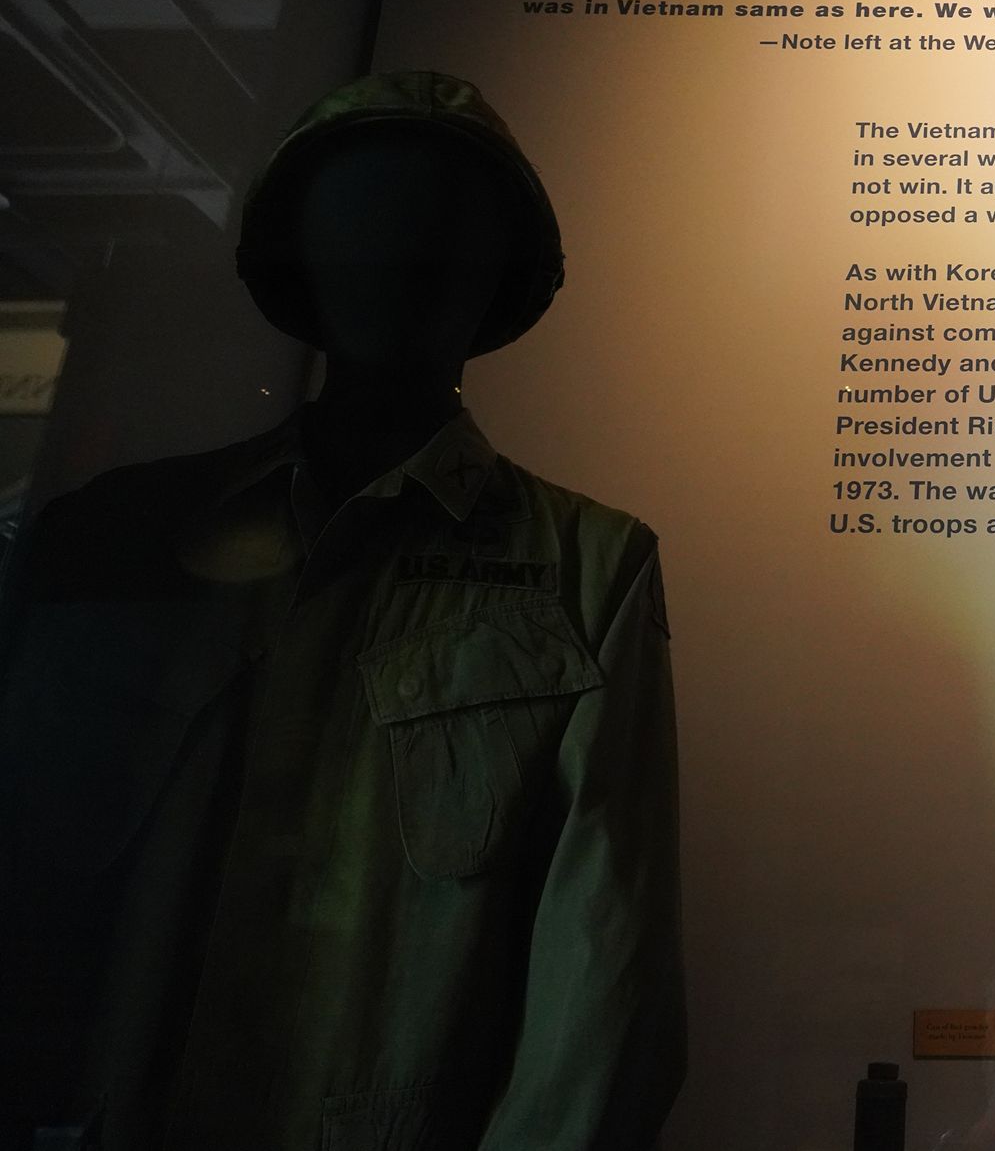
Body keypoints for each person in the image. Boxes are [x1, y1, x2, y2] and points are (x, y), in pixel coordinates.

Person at [0, 71, 686, 1149]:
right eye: (362, 216)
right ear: (302, 256)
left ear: (494, 274)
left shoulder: (587, 566)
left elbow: (605, 973)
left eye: (443, 228)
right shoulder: (113, 537)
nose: (400, 253)